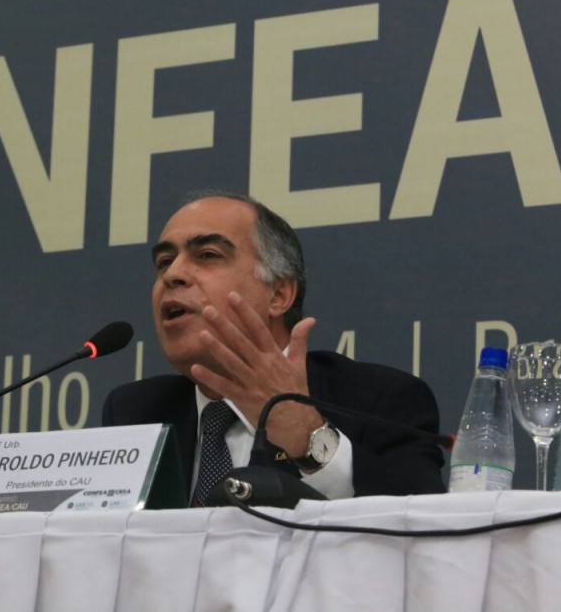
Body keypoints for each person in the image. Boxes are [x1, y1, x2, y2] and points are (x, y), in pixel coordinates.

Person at [102, 193, 446, 504]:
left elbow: (424, 534)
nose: (172, 274)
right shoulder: (137, 413)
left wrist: (308, 439)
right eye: (164, 262)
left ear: (279, 295)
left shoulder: (375, 399)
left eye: (207, 255)